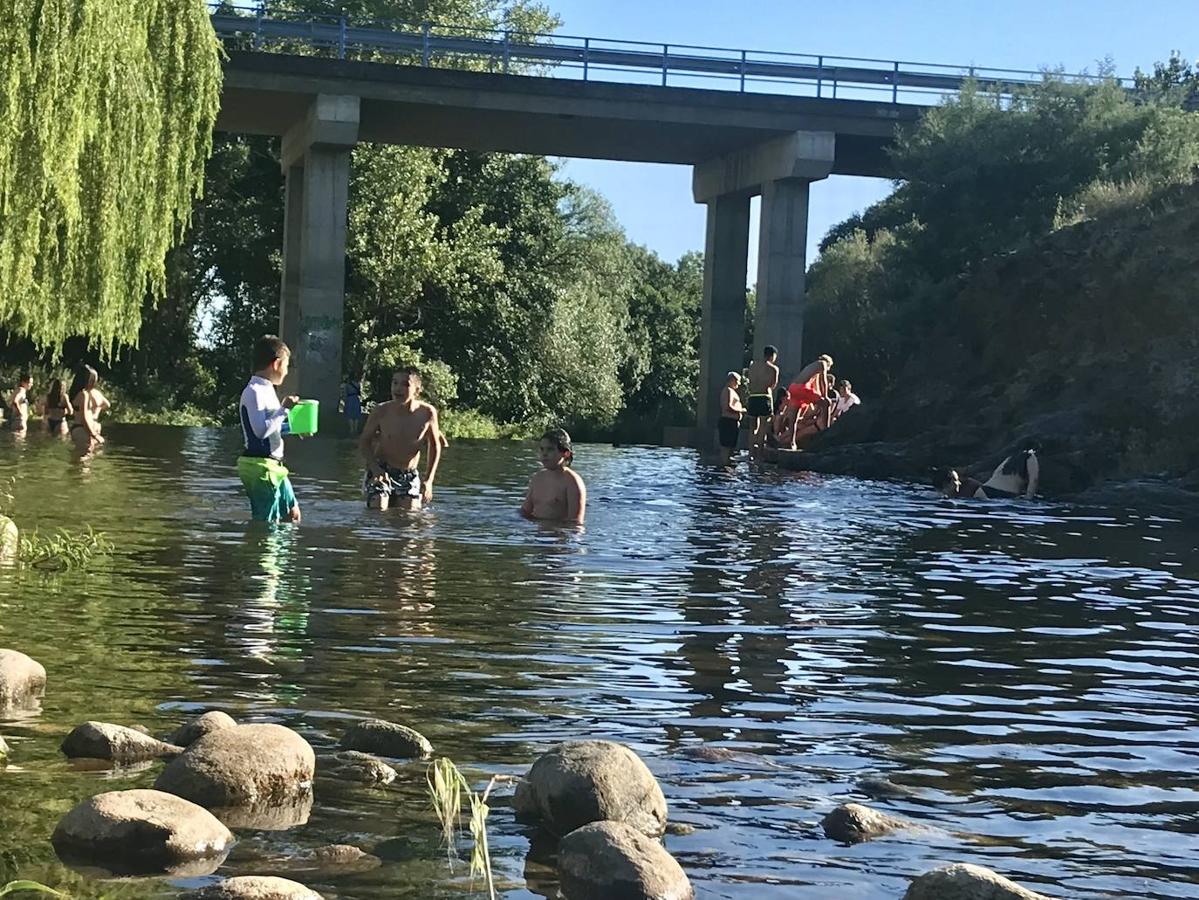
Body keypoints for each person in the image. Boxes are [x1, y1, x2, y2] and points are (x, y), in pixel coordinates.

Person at [358, 367, 442, 511]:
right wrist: (375, 468)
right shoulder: (381, 411)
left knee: (409, 517)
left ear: (417, 389)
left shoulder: (427, 413)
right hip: (381, 469)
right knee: (378, 510)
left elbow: (435, 446)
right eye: (395, 383)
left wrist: (429, 481)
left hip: (407, 473)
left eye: (405, 384)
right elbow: (364, 442)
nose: (398, 388)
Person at [237, 335, 301, 524]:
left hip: (273, 466)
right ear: (276, 364)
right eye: (286, 366)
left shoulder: (267, 389)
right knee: (265, 524)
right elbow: (260, 431)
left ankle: (281, 553)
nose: (287, 371)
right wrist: (285, 409)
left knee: (292, 514)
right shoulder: (254, 391)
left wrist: (294, 428)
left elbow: (273, 427)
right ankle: (261, 552)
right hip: (259, 467)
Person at [521, 428, 587, 524]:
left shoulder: (572, 482)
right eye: (542, 449)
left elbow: (575, 523)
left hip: (557, 536)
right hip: (536, 534)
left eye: (550, 449)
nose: (544, 454)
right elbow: (525, 511)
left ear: (565, 453)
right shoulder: (537, 478)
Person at [934, 441, 1040, 500]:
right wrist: (1028, 499)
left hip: (984, 490)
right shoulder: (1030, 456)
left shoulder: (1009, 460)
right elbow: (1034, 480)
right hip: (1003, 494)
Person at [787, 354, 835, 431]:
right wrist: (825, 396)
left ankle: (791, 441)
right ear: (828, 363)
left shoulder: (814, 367)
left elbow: (816, 386)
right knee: (826, 403)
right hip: (801, 388)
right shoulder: (823, 363)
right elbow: (823, 381)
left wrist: (820, 397)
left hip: (793, 387)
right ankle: (826, 429)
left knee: (794, 419)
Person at [68, 366, 109, 453]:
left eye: (95, 381)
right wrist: (94, 435)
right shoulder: (84, 395)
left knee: (80, 460)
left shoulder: (77, 393)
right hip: (83, 429)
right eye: (91, 381)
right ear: (84, 380)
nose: (94, 384)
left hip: (80, 429)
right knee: (83, 462)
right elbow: (84, 418)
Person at [745, 346, 780, 450]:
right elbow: (773, 385)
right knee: (763, 427)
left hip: (752, 397)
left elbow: (750, 381)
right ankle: (759, 453)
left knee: (752, 427)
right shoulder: (773, 368)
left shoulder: (752, 366)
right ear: (772, 355)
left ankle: (751, 452)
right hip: (764, 397)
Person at [717, 371, 744, 465]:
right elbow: (727, 406)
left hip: (733, 422)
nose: (739, 384)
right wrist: (740, 410)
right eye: (738, 381)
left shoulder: (732, 391)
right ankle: (725, 464)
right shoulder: (727, 390)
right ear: (732, 380)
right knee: (726, 446)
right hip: (728, 421)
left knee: (731, 446)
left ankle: (727, 464)